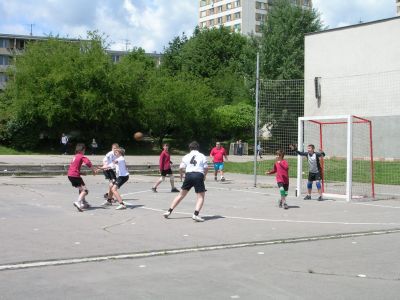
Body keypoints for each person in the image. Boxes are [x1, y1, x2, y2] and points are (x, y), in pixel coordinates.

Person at [163, 141, 209, 222]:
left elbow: (181, 168)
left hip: (189, 175)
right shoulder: (202, 156)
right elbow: (206, 167)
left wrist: (181, 176)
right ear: (198, 148)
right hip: (198, 175)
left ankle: (169, 211)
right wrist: (204, 176)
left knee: (181, 195)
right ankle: (195, 214)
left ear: (190, 148)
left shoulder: (186, 156)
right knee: (201, 196)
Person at [67, 143, 96, 212]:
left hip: (71, 175)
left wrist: (81, 173)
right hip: (75, 176)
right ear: (82, 150)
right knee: (85, 191)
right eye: (84, 150)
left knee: (81, 189)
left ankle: (83, 202)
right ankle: (78, 202)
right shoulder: (81, 156)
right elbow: (88, 162)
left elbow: (73, 167)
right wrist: (93, 170)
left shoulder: (75, 156)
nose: (84, 151)